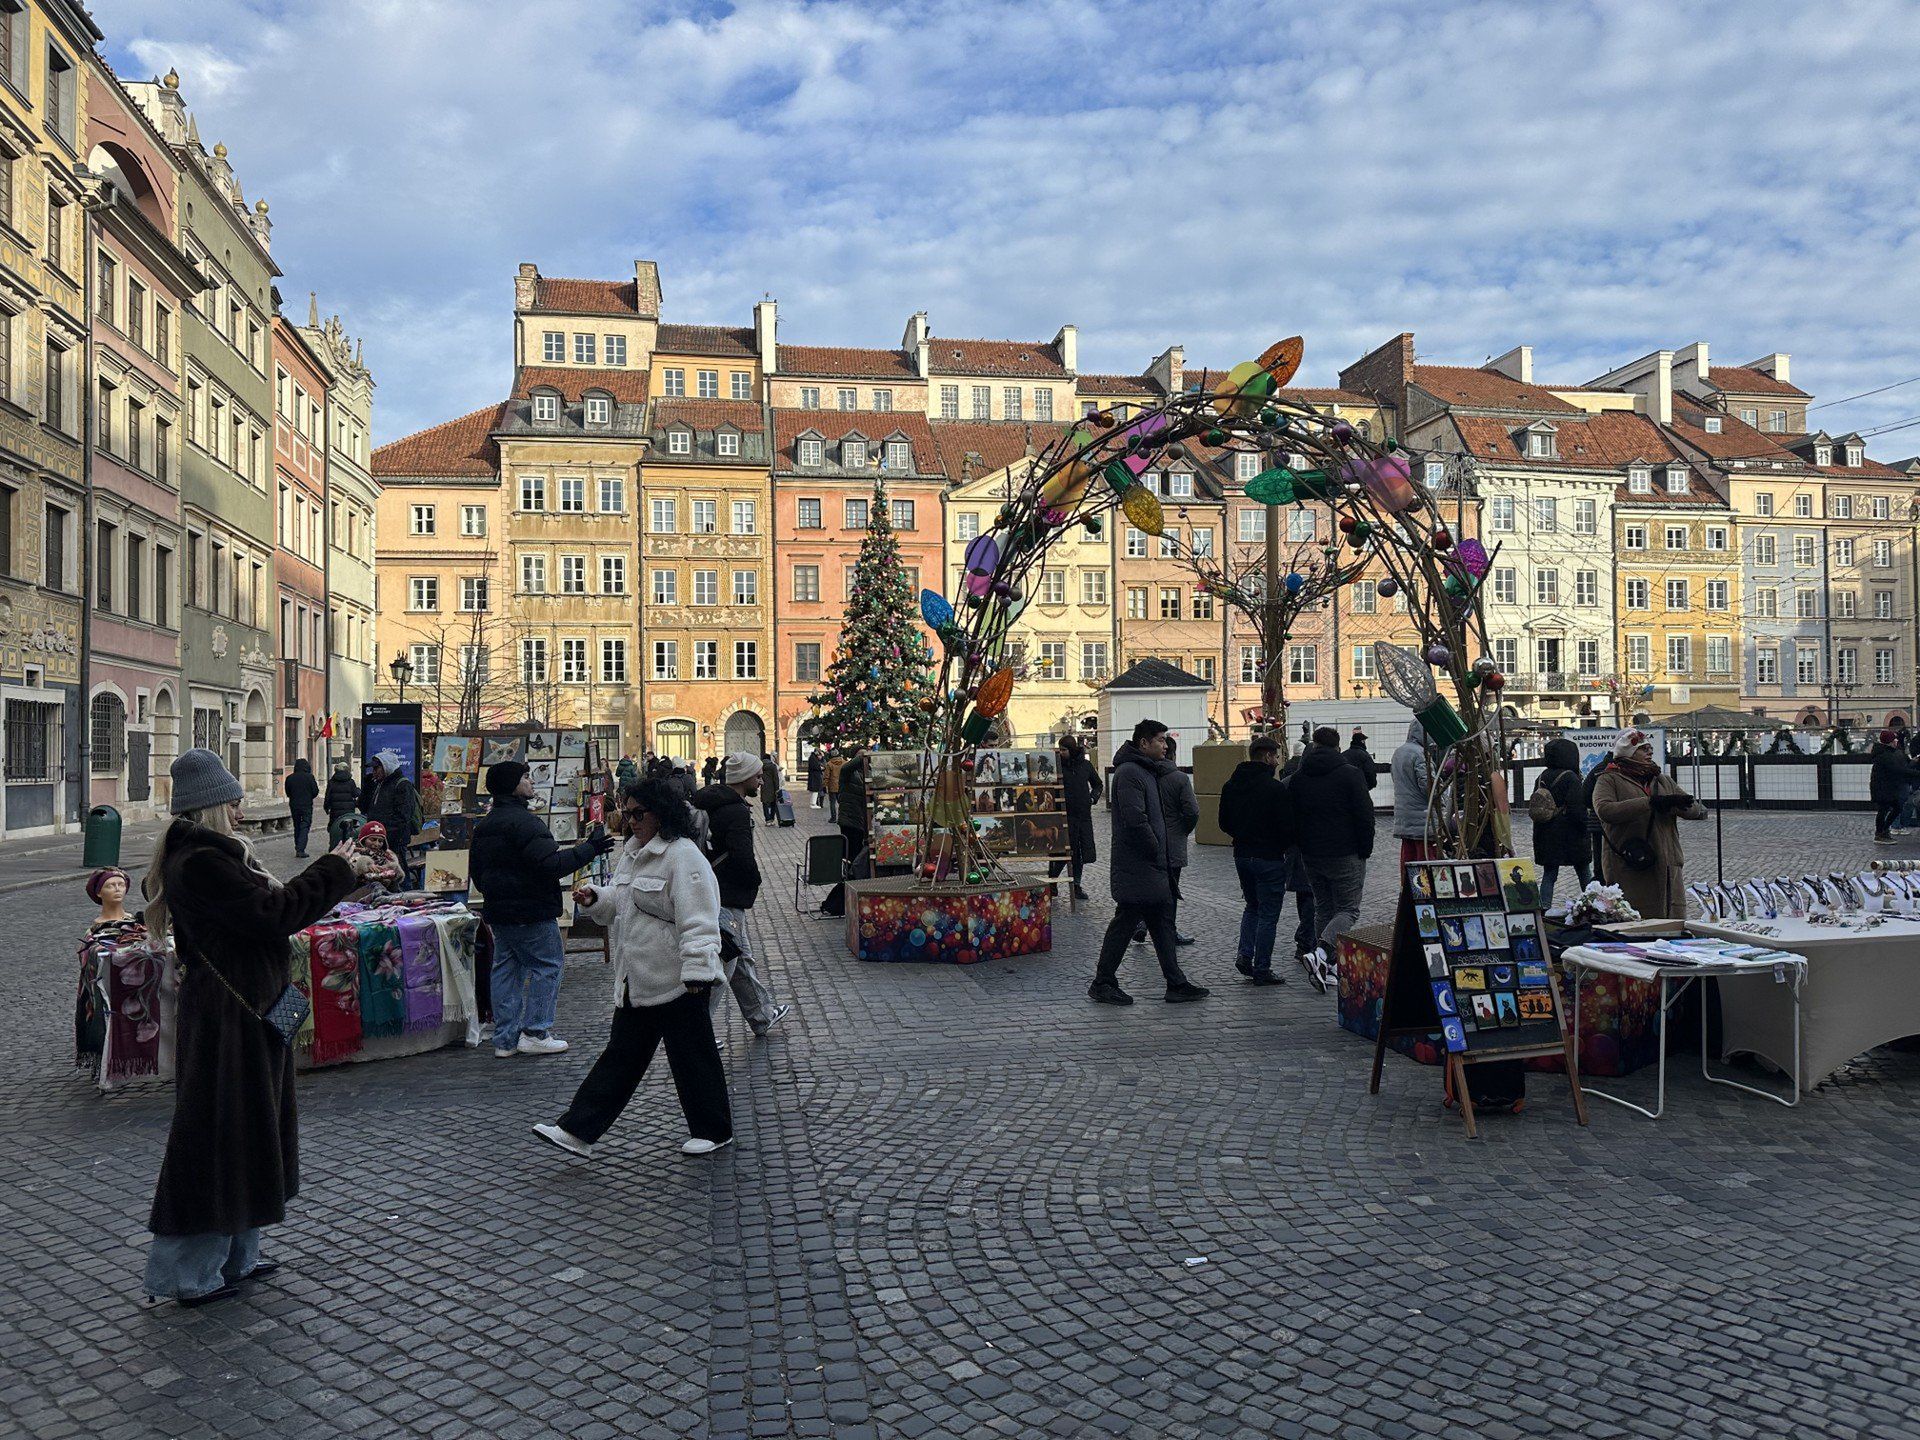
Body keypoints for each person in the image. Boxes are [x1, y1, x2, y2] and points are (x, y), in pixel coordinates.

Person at [141, 747, 372, 1306]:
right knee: (218, 1137)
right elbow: (274, 914)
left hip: (248, 1012)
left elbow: (273, 907)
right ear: (214, 805)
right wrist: (334, 869)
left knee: (249, 1132)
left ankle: (238, 1256)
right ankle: (191, 1274)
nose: (243, 808)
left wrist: (343, 880)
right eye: (235, 799)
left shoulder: (216, 855)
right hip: (229, 1016)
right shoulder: (201, 861)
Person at [531, 779, 732, 1159]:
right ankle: (577, 1131)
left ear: (662, 813)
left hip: (678, 979)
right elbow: (621, 906)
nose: (631, 821)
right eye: (627, 813)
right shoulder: (633, 853)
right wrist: (596, 899)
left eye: (639, 813)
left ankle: (714, 1129)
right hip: (636, 979)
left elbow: (700, 918)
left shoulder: (683, 856)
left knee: (693, 1058)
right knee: (621, 1059)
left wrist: (697, 973)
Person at [469, 759, 615, 1058]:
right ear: (513, 786)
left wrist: (499, 894)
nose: (531, 781)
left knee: (506, 969)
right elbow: (552, 866)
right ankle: (535, 1031)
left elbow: (478, 875)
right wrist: (591, 848)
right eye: (525, 777)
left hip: (500, 912)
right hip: (532, 910)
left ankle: (505, 1039)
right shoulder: (526, 823)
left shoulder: (485, 826)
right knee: (547, 965)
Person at [1088, 720, 1208, 1006]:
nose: (1165, 746)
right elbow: (1135, 819)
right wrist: (1156, 848)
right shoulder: (1130, 772)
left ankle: (1176, 983)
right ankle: (1102, 982)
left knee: (1163, 922)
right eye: (1160, 740)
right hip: (1139, 865)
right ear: (1143, 743)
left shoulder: (1145, 771)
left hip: (1154, 865)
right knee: (1126, 921)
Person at [694, 752, 791, 1036]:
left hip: (713, 888)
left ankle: (761, 1015)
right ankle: (699, 1032)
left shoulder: (711, 801)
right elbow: (742, 857)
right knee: (725, 964)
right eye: (758, 776)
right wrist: (754, 880)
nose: (761, 781)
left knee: (739, 957)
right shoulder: (735, 811)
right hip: (727, 894)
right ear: (744, 777)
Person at [1290, 726, 1374, 992]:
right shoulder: (1350, 774)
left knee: (1324, 908)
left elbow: (1293, 814)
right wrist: (1365, 848)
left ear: (1314, 745)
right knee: (1349, 909)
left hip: (1311, 853)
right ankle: (1322, 954)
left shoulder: (1300, 777)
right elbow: (1364, 814)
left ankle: (1327, 968)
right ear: (1338, 747)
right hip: (1345, 851)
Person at [1592, 730, 1705, 918]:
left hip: (1667, 864)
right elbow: (1605, 810)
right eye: (1643, 749)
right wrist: (1649, 803)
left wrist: (1678, 805)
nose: (1649, 752)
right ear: (1628, 752)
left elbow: (1696, 810)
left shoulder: (1661, 779)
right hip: (1632, 863)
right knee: (1636, 921)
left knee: (1671, 923)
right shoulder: (1609, 779)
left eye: (1650, 748)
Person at [1220, 735, 1295, 986]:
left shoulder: (1231, 785)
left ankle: (1245, 954)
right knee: (1268, 914)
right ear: (1266, 756)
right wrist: (1279, 845)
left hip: (1242, 854)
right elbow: (1287, 827)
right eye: (1275, 756)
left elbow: (1224, 822)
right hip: (1269, 857)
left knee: (1252, 906)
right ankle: (1262, 968)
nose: (1277, 761)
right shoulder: (1274, 788)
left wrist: (1242, 836)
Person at [1142, 733, 1199, 946]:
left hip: (1148, 840)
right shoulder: (1180, 779)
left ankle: (1142, 924)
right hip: (1173, 842)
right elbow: (1192, 811)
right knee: (1170, 891)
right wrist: (1183, 830)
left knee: (1149, 886)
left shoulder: (1145, 776)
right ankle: (1168, 932)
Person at [1531, 737, 1591, 907]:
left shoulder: (1541, 776)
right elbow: (1577, 809)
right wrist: (1584, 830)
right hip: (1570, 835)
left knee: (1549, 874)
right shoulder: (1571, 777)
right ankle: (1593, 904)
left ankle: (1543, 907)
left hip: (1545, 833)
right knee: (1584, 872)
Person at [1049, 735, 1100, 901]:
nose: (1061, 752)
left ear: (1071, 750)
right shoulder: (1056, 767)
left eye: (1063, 749)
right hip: (1062, 817)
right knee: (1061, 853)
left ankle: (1076, 885)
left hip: (1083, 817)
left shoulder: (1085, 765)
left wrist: (1092, 798)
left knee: (1079, 854)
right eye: (1060, 749)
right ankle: (1053, 882)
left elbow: (1098, 784)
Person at [362, 750, 418, 883]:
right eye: (373, 768)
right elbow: (364, 807)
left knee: (398, 875)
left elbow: (403, 816)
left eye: (376, 768)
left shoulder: (402, 785)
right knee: (382, 877)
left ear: (386, 767)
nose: (374, 771)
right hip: (379, 840)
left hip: (394, 840)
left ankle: (404, 897)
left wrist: (383, 833)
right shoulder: (379, 784)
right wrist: (367, 787)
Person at [1389, 721, 1438, 864]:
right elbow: (1429, 786)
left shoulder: (1398, 752)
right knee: (1425, 861)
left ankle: (1408, 886)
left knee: (1408, 858)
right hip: (1422, 817)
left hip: (1404, 816)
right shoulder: (1420, 754)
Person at [1869, 728, 1920, 843]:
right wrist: (1916, 772)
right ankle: (1880, 833)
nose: (1897, 741)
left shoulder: (1891, 753)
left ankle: (1883, 831)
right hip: (1883, 788)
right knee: (1885, 809)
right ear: (1890, 741)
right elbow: (1899, 770)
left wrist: (1913, 762)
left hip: (1889, 787)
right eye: (1894, 739)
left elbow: (1902, 767)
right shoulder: (1885, 755)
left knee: (1894, 808)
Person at [837, 750, 869, 874]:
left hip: (860, 819)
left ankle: (855, 873)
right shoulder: (847, 771)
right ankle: (849, 873)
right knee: (850, 850)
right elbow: (848, 767)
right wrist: (864, 755)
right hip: (848, 819)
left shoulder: (865, 773)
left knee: (858, 849)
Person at [283, 757, 319, 858]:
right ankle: (301, 848)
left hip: (294, 805)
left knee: (297, 826)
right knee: (305, 825)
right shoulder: (309, 777)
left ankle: (297, 846)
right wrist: (308, 797)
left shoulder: (289, 778)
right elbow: (315, 791)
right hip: (306, 805)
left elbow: (288, 792)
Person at [323, 761, 361, 846]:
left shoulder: (331, 782)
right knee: (348, 829)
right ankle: (347, 845)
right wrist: (358, 790)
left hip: (335, 810)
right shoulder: (351, 781)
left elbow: (327, 796)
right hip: (348, 811)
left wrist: (326, 807)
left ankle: (334, 845)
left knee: (335, 827)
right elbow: (356, 794)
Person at [822, 750, 847, 822]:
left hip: (832, 786)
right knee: (842, 803)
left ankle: (833, 818)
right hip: (842, 786)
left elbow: (826, 776)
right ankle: (843, 817)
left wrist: (824, 786)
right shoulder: (844, 763)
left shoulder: (829, 764)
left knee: (832, 803)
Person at [760, 752, 782, 824]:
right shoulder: (772, 766)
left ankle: (767, 820)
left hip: (764, 786)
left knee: (765, 803)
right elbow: (775, 778)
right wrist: (777, 788)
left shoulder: (760, 766)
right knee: (773, 803)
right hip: (772, 786)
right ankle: (772, 819)